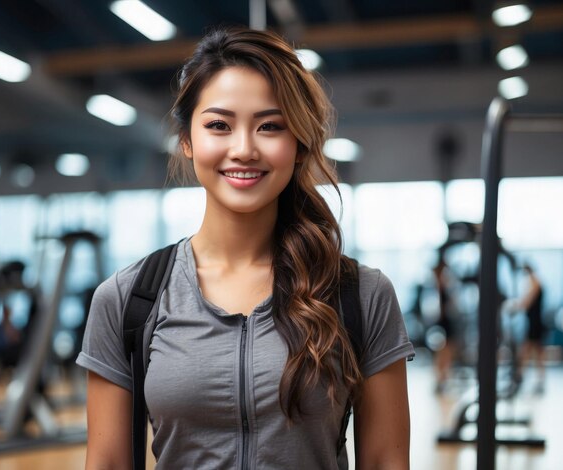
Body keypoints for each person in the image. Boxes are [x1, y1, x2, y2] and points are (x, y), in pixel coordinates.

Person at [77, 26, 414, 470]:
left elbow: (386, 461)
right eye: (219, 125)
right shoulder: (127, 300)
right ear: (186, 140)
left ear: (297, 145)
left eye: (270, 126)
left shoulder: (360, 294)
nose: (244, 149)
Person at [514, 263, 546, 392]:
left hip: (535, 323)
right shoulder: (534, 282)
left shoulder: (535, 283)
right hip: (534, 322)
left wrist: (516, 305)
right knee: (535, 352)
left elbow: (527, 302)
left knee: (528, 350)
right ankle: (529, 377)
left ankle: (520, 376)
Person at [431, 259, 458, 394]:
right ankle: (441, 379)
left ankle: (443, 379)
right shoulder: (440, 283)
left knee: (446, 351)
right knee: (445, 351)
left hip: (445, 320)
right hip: (444, 321)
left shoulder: (442, 282)